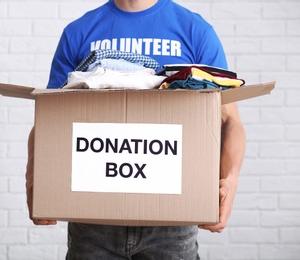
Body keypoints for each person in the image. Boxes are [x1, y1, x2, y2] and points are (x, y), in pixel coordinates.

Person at [25, 0, 246, 259]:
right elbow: (51, 118)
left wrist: (229, 183)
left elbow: (230, 120)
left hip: (173, 221)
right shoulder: (79, 32)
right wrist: (34, 178)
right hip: (93, 219)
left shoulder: (195, 31)